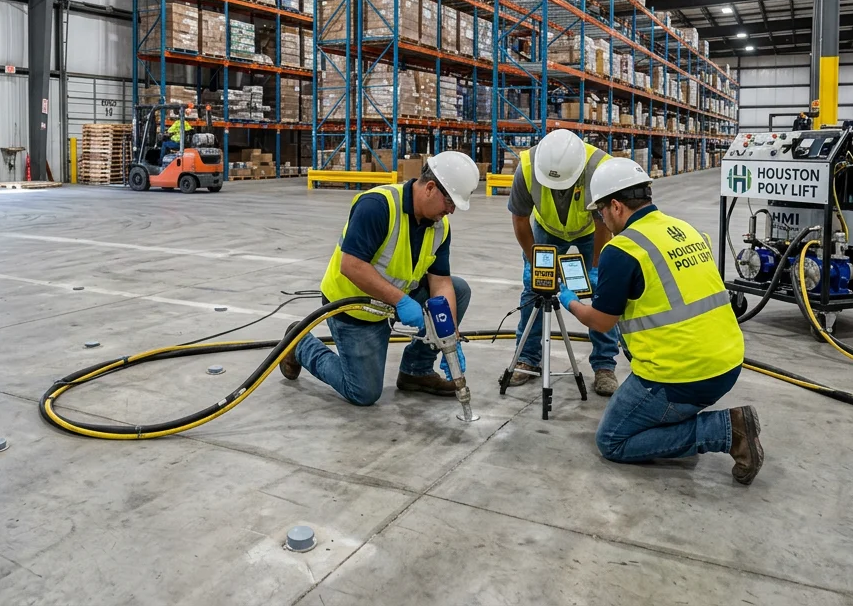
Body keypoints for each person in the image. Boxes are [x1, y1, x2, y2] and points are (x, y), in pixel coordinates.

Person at [557, 157, 764, 484]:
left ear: (616, 206)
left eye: (600, 213)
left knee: (612, 440)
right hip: (727, 362)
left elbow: (600, 322)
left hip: (681, 375)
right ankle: (688, 423)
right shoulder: (685, 229)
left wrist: (567, 298)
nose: (602, 221)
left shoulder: (622, 248)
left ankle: (726, 429)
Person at [280, 152, 481, 406]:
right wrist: (401, 301)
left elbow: (440, 282)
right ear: (430, 188)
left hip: (393, 300)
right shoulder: (378, 205)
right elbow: (351, 265)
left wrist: (449, 335)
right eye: (450, 202)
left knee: (458, 290)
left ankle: (416, 371)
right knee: (363, 392)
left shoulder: (439, 226)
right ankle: (299, 343)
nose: (451, 211)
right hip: (353, 307)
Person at [506, 129, 621, 395]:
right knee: (536, 289)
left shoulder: (599, 168)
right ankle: (528, 359)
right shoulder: (526, 168)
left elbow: (603, 222)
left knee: (602, 291)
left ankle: (604, 365)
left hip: (590, 231)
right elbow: (520, 220)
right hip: (547, 229)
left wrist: (595, 266)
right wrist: (535, 260)